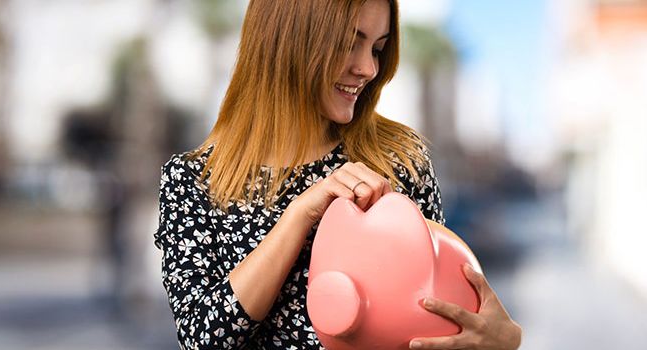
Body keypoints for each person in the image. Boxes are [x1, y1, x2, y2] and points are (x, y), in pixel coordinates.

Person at [154, 0, 522, 349]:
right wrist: (298, 216)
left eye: (377, 49)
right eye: (350, 43)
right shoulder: (194, 180)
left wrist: (499, 340)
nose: (368, 68)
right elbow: (203, 338)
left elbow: (431, 319)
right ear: (288, 38)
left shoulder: (399, 161)